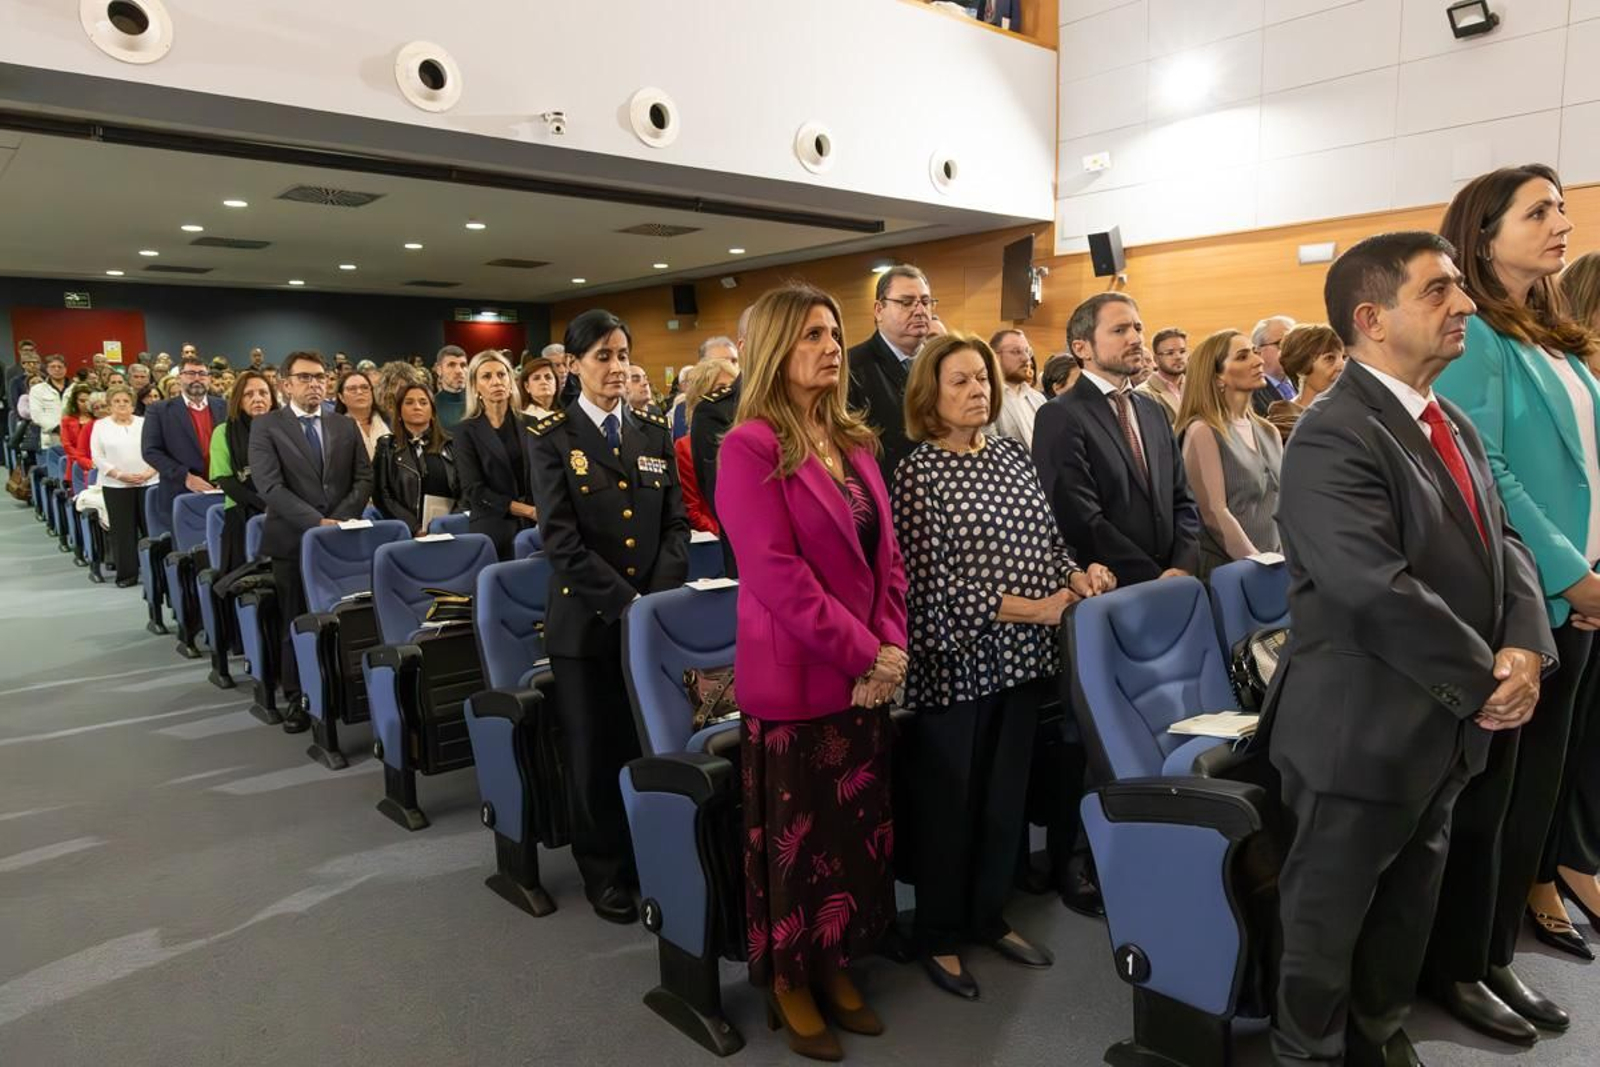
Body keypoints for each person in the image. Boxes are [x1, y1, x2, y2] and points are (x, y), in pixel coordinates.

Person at [1267, 231, 1554, 1067]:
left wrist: (1526, 645)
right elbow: (1370, 587)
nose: (1465, 303)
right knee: (1324, 927)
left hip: (1439, 725)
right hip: (1360, 734)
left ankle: (1379, 1036)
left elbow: (1505, 542)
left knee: (1404, 911)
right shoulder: (1331, 433)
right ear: (1372, 318)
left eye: (1459, 286)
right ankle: (1307, 1054)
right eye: (1438, 290)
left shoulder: (1447, 417)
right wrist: (1487, 678)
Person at [1414, 165, 1597, 1044]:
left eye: (1562, 207)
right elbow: (1490, 469)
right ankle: (1459, 963)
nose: (1560, 221)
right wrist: (1572, 574)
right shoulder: (1475, 333)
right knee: (1491, 799)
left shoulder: (1550, 333)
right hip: (1525, 598)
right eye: (1539, 210)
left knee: (1538, 793)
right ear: (1483, 234)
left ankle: (1494, 954)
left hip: (1579, 588)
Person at [892, 332, 1114, 1002]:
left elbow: (1048, 542)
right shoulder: (917, 471)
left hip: (1021, 662)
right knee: (949, 807)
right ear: (929, 395)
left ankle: (987, 916)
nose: (976, 391)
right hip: (954, 668)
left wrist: (1079, 576)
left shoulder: (1013, 454)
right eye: (958, 381)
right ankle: (936, 932)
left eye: (982, 379)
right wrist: (1034, 608)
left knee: (1002, 805)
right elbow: (930, 588)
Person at [716, 284, 906, 1060]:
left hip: (865, 678)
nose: (832, 347)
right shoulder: (750, 446)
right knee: (802, 846)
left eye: (833, 332)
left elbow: (887, 561)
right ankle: (791, 977)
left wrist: (889, 647)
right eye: (811, 336)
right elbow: (777, 575)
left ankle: (837, 962)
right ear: (773, 352)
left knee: (852, 836)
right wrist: (868, 653)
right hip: (800, 680)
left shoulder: (855, 439)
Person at [526, 309, 688, 925]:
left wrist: (657, 600)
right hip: (588, 625)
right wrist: (629, 606)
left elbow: (675, 525)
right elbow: (561, 544)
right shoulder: (552, 437)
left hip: (649, 624)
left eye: (623, 354)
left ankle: (649, 850)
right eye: (602, 356)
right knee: (595, 751)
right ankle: (605, 869)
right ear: (573, 365)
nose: (617, 367)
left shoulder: (650, 431)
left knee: (646, 742)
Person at [1032, 292, 1199, 586]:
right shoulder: (1059, 415)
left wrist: (1183, 564)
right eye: (1119, 330)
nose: (1135, 338)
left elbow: (1182, 497)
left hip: (1175, 581)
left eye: (1137, 328)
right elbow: (1079, 519)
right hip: (1114, 587)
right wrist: (1152, 577)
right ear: (1082, 348)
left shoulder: (1152, 409)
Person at [249, 350, 373, 733]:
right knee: (297, 621)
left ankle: (340, 691)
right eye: (305, 377)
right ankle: (299, 696)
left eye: (320, 377)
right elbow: (270, 486)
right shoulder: (267, 426)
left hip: (341, 540)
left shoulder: (343, 425)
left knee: (343, 620)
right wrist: (317, 521)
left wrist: (341, 518)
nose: (315, 383)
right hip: (292, 540)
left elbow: (363, 478)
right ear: (286, 384)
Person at [1174, 329, 1283, 579]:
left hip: (1278, 565)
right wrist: (1258, 562)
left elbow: (1284, 504)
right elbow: (1214, 513)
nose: (1258, 361)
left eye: (1255, 353)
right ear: (1217, 376)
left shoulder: (1269, 431)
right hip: (1232, 573)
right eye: (1243, 356)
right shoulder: (1202, 431)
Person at [848, 264, 935, 480]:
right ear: (879, 310)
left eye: (925, 302)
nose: (920, 310)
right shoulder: (852, 367)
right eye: (906, 302)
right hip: (889, 493)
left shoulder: (942, 363)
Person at [454, 350, 534, 559]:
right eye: (487, 377)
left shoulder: (531, 424)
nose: (496, 381)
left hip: (536, 521)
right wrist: (527, 510)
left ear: (510, 380)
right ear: (475, 387)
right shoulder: (465, 431)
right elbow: (474, 490)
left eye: (501, 374)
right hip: (493, 523)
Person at [141, 354, 226, 529]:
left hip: (222, 492)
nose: (197, 378)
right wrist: (185, 477)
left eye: (202, 374)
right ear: (179, 377)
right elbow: (150, 451)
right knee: (189, 553)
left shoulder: (225, 407)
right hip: (180, 491)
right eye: (190, 373)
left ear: (209, 379)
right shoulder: (159, 410)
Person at [90, 384, 158, 587]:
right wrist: (120, 475)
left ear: (133, 404)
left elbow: (157, 449)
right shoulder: (100, 426)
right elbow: (98, 457)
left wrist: (148, 472)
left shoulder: (144, 423)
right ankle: (127, 575)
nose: (121, 405)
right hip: (116, 485)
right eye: (116, 401)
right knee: (123, 532)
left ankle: (155, 573)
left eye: (126, 401)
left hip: (149, 482)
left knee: (151, 530)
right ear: (109, 405)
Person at [208, 370, 274, 576]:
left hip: (287, 513)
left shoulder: (287, 428)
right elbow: (227, 482)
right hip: (241, 513)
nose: (257, 399)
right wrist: (266, 505)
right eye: (249, 394)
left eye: (263, 393)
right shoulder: (223, 432)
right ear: (238, 400)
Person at [373, 382, 458, 535]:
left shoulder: (452, 445)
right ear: (399, 412)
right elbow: (382, 495)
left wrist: (449, 523)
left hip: (448, 528)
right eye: (409, 402)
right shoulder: (386, 447)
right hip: (404, 531)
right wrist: (415, 528)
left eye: (423, 402)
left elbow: (465, 491)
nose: (417, 406)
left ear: (432, 411)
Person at [676, 357, 736, 535]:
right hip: (715, 540)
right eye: (720, 390)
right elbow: (692, 511)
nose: (729, 396)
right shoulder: (685, 448)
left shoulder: (752, 438)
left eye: (732, 388)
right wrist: (728, 534)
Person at [1265, 324, 1347, 442]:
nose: (1342, 366)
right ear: (1301, 368)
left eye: (1343, 357)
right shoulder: (1283, 424)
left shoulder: (1353, 411)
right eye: (1330, 358)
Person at [989, 329, 1046, 448]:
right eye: (1016, 352)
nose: (1026, 359)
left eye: (1027, 351)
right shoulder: (988, 400)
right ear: (995, 356)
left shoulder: (1039, 399)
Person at [333, 369, 388, 461]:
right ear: (341, 397)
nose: (359, 392)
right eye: (352, 389)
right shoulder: (335, 428)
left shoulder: (388, 420)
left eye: (365, 387)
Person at [1136, 327, 1187, 424]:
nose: (1178, 357)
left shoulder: (1198, 387)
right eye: (1170, 353)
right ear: (1156, 359)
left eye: (1182, 351)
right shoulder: (1142, 394)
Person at [1248, 314, 1297, 415]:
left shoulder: (1305, 380)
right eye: (1282, 344)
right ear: (1258, 351)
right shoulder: (1251, 395)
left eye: (1294, 343)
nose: (1291, 350)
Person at [28, 354, 70, 450]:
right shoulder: (37, 390)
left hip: (75, 436)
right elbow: (36, 415)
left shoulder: (75, 388)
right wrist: (56, 428)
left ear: (65, 369)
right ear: (47, 369)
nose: (57, 369)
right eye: (53, 367)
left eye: (60, 367)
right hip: (50, 437)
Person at [59, 383, 98, 479]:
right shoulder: (67, 420)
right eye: (82, 401)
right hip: (75, 463)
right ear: (75, 402)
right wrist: (83, 460)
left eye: (88, 401)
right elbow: (67, 445)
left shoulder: (99, 420)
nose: (85, 404)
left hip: (98, 461)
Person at [432, 345, 469, 429]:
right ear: (439, 370)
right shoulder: (431, 405)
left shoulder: (479, 403)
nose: (459, 371)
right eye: (451, 365)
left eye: (463, 365)